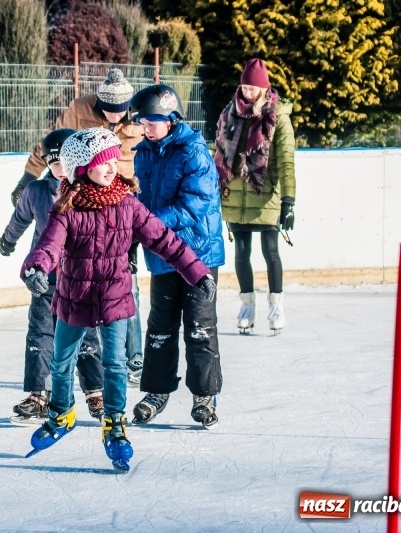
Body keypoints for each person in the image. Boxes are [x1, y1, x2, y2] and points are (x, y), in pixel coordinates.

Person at [20, 127, 216, 472]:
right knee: (61, 363)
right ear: (82, 168)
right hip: (74, 298)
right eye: (101, 161)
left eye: (113, 159)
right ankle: (62, 413)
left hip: (114, 299)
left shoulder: (127, 204)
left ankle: (114, 425)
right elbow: (49, 245)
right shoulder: (66, 207)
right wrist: (37, 268)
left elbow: (164, 240)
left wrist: (196, 272)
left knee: (114, 365)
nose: (111, 167)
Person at [10, 67, 146, 387]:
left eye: (120, 110)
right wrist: (27, 179)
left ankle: (135, 356)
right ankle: (84, 361)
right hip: (87, 200)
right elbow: (48, 145)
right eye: (109, 110)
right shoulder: (80, 109)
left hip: (125, 201)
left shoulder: (140, 119)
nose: (114, 117)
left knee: (129, 285)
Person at [128, 84, 226, 429]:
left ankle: (204, 396)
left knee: (199, 328)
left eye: (151, 120)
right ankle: (156, 392)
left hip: (197, 254)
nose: (145, 127)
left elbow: (194, 205)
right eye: (142, 121)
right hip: (161, 254)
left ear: (171, 118)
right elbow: (138, 203)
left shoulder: (193, 152)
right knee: (160, 327)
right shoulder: (143, 152)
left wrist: (147, 224)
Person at [0, 128, 105, 423]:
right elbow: (19, 218)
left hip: (82, 278)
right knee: (40, 334)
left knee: (87, 336)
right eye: (54, 164)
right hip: (44, 277)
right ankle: (38, 395)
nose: (60, 170)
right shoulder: (36, 191)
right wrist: (8, 240)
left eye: (65, 163)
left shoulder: (90, 190)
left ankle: (96, 392)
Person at [214, 58, 296, 335]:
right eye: (245, 87)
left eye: (253, 88)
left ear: (264, 88)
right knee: (242, 251)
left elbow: (286, 161)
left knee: (270, 251)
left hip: (266, 194)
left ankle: (276, 305)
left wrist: (289, 201)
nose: (248, 93)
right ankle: (247, 305)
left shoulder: (278, 117)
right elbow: (219, 154)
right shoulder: (230, 113)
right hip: (235, 194)